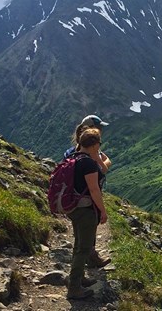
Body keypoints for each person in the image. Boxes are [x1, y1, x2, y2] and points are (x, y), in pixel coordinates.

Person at [63, 114, 112, 268]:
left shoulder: (71, 152)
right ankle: (87, 260)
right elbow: (102, 171)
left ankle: (85, 260)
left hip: (73, 198)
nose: (101, 131)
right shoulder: (90, 156)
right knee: (89, 228)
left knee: (79, 234)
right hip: (87, 199)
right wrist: (102, 210)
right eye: (99, 128)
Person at [66, 128, 108, 300]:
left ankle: (78, 279)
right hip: (85, 210)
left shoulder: (73, 157)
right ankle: (74, 288)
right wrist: (102, 211)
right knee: (84, 248)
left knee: (78, 244)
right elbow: (94, 190)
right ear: (94, 144)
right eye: (99, 144)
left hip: (74, 208)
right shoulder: (89, 163)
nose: (99, 147)